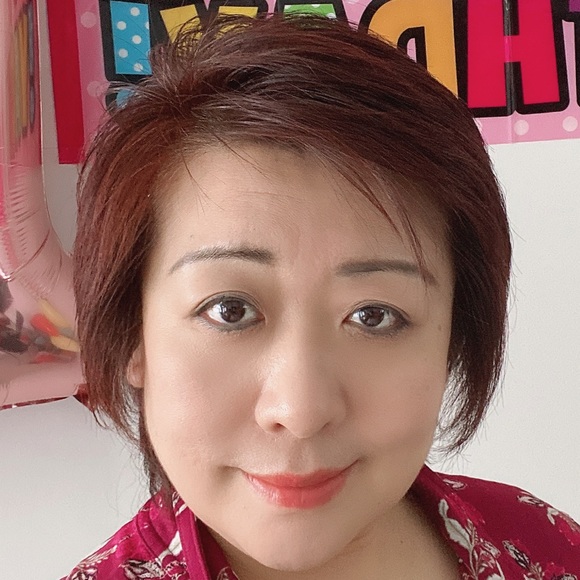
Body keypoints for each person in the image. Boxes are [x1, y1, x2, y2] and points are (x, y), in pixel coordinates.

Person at [63, 14, 580, 580]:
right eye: (230, 310)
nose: (301, 410)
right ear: (133, 332)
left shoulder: (544, 547)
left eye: (374, 315)